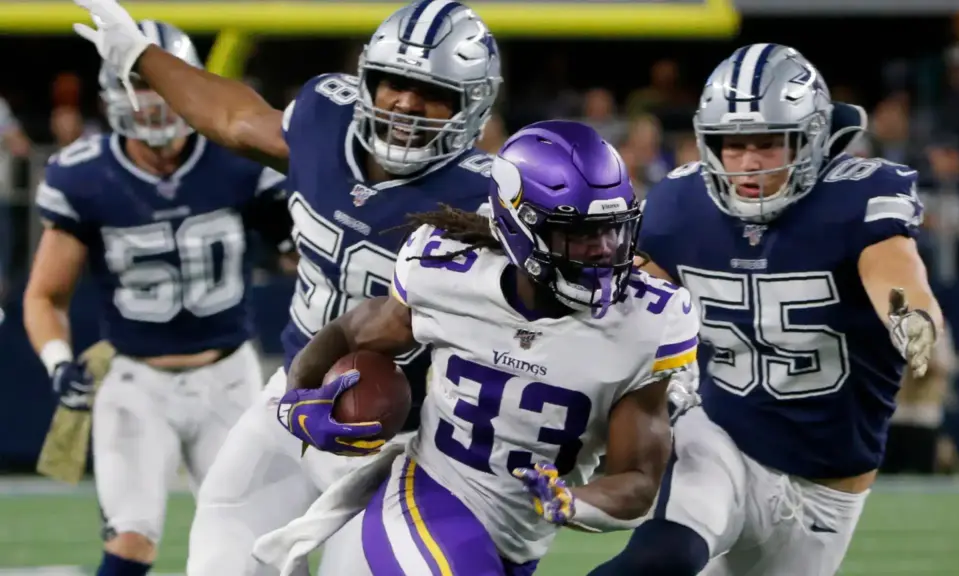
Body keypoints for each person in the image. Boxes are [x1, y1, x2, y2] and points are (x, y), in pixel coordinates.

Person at [71, 1, 502, 574]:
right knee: (222, 563)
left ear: (472, 106)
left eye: (432, 92)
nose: (405, 102)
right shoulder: (325, 120)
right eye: (393, 82)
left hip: (403, 437)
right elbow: (233, 118)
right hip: (293, 395)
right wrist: (140, 57)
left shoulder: (489, 202)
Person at [272, 120, 701, 575]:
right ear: (520, 229)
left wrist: (574, 500)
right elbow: (352, 331)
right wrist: (296, 397)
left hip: (516, 542)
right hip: (428, 498)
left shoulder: (647, 321)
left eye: (611, 230)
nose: (601, 251)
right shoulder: (448, 271)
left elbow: (637, 479)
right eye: (577, 234)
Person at [591, 44, 944, 575]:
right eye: (732, 146)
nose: (748, 163)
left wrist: (911, 318)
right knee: (662, 556)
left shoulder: (856, 198)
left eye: (768, 144)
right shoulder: (681, 206)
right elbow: (624, 305)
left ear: (813, 140)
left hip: (825, 492)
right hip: (722, 437)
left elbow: (898, 280)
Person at [23, 21, 290, 576]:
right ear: (111, 92)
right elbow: (45, 295)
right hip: (137, 382)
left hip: (229, 377)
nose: (148, 102)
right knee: (131, 539)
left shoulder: (236, 157)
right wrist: (57, 363)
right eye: (134, 85)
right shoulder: (85, 175)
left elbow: (295, 249)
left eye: (157, 84)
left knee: (257, 540)